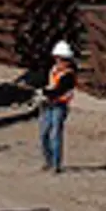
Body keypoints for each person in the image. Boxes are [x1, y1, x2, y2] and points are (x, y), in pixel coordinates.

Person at [38, 41, 75, 174]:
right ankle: (48, 161)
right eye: (58, 58)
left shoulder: (69, 75)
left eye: (63, 59)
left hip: (59, 106)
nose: (60, 61)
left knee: (55, 134)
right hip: (48, 105)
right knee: (44, 134)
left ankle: (56, 164)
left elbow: (59, 90)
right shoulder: (52, 70)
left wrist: (43, 92)